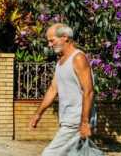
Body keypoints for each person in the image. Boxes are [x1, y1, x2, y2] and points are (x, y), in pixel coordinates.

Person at [29, 23, 95, 156]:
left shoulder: (78, 58)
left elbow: (88, 91)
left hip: (76, 120)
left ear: (65, 37)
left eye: (52, 40)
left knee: (49, 154)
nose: (49, 45)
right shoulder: (61, 62)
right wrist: (38, 114)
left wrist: (85, 122)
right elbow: (53, 89)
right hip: (68, 119)